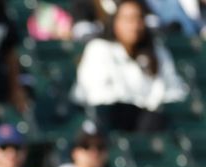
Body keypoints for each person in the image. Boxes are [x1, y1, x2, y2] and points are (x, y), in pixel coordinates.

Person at [71, 0, 188, 132]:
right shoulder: (99, 49)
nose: (134, 25)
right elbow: (97, 96)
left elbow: (174, 89)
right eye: (128, 19)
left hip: (150, 121)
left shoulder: (156, 51)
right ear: (115, 22)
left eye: (139, 18)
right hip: (110, 119)